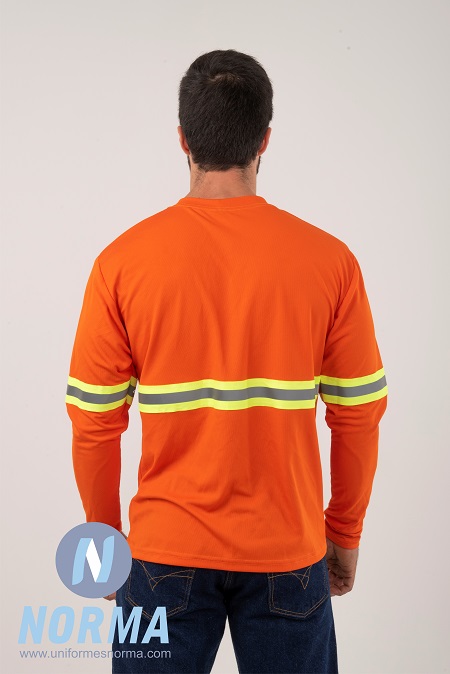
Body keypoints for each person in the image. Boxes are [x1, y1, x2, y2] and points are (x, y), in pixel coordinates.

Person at [65, 49, 388, 674]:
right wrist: (343, 532)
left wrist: (103, 539)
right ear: (264, 139)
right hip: (288, 552)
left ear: (182, 139)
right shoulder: (331, 263)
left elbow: (92, 423)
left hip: (162, 554)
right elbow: (359, 415)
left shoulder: (120, 264)